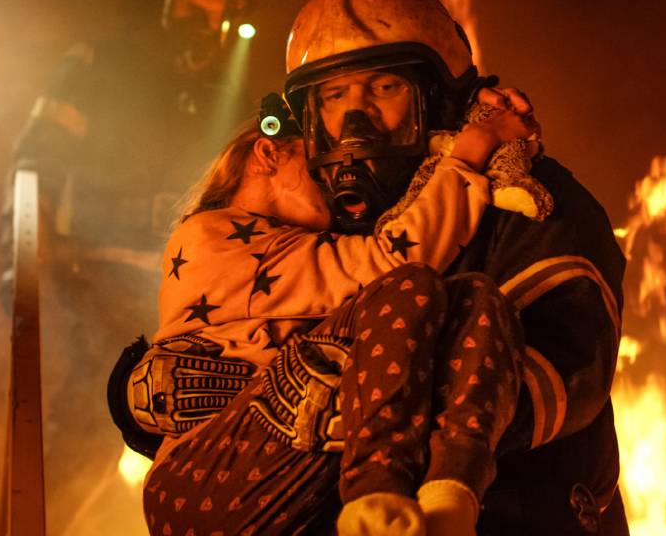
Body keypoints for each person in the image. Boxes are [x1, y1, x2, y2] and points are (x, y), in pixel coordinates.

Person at [133, 76, 543, 535]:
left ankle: (449, 507)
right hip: (204, 479)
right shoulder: (212, 234)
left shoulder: (289, 250)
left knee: (476, 299)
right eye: (316, 168)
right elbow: (393, 261)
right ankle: (377, 501)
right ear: (269, 154)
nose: (333, 183)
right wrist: (476, 145)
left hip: (274, 470)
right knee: (409, 286)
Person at [7, 0, 252, 518]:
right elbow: (34, 161)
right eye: (193, 8)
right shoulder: (99, 65)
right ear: (158, 2)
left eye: (218, 17)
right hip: (90, 270)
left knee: (191, 439)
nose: (205, 27)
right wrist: (18, 263)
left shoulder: (222, 93)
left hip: (182, 291)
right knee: (91, 424)